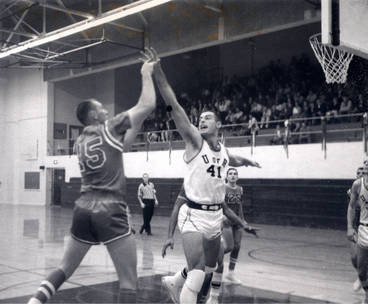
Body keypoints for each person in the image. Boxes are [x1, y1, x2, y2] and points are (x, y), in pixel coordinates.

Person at [27, 48, 159, 304]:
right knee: (129, 281)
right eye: (102, 109)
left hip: (83, 209)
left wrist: (139, 122)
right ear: (93, 115)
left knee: (64, 268)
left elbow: (124, 145)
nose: (106, 111)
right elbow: (147, 104)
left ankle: (34, 302)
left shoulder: (80, 141)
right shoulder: (108, 128)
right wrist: (146, 72)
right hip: (110, 208)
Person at [153, 52, 260, 304]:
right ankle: (182, 289)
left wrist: (247, 161)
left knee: (210, 267)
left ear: (218, 125)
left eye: (207, 117)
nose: (201, 119)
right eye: (200, 117)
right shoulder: (194, 141)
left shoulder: (222, 150)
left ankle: (174, 281)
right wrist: (158, 72)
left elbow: (231, 159)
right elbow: (174, 104)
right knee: (199, 272)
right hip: (193, 215)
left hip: (215, 217)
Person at [347, 163, 368, 304]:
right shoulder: (357, 185)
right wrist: (349, 226)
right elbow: (351, 206)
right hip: (364, 229)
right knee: (360, 268)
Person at [349, 166, 365, 292]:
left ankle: (362, 279)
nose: (360, 173)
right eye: (357, 172)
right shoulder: (354, 188)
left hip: (364, 224)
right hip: (357, 225)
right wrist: (349, 227)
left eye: (362, 171)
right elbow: (350, 208)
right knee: (354, 257)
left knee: (363, 258)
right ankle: (361, 276)